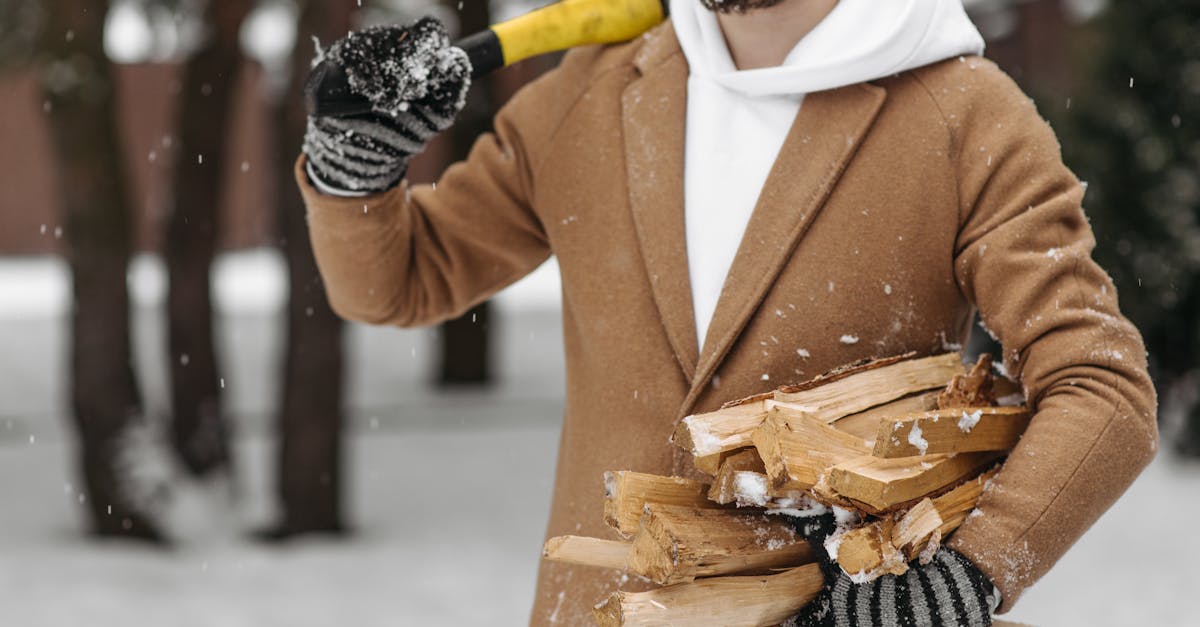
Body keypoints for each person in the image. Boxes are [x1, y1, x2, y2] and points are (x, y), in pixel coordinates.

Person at [297, 0, 1158, 624]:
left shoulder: (967, 117)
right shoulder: (587, 96)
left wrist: (965, 573)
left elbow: (1102, 387)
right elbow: (402, 281)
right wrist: (354, 165)